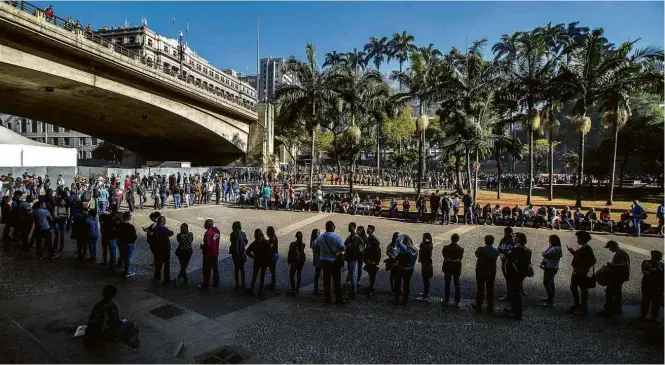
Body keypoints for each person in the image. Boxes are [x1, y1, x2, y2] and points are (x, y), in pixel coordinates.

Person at [84, 285, 139, 350]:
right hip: (106, 334)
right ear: (113, 295)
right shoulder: (111, 306)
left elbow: (92, 319)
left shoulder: (97, 305)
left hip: (95, 332)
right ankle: (134, 344)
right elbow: (115, 322)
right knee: (133, 324)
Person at [315, 221, 347, 304]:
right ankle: (339, 299)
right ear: (332, 227)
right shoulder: (337, 237)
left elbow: (316, 247)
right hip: (334, 262)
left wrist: (321, 255)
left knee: (326, 282)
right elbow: (343, 249)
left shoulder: (320, 237)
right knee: (337, 282)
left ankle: (327, 299)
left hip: (324, 262)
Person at [567, 231, 597, 315]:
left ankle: (582, 307)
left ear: (583, 239)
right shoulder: (585, 248)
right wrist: (572, 252)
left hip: (580, 273)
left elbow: (592, 261)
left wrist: (583, 269)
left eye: (578, 238)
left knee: (580, 289)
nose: (577, 240)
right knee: (577, 288)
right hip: (579, 272)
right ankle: (579, 306)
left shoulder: (586, 249)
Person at [503, 232, 532, 320]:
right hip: (520, 274)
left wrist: (505, 253)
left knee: (515, 293)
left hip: (514, 274)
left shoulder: (517, 249)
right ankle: (514, 309)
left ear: (518, 239)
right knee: (515, 292)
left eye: (515, 237)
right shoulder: (526, 249)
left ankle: (517, 313)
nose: (513, 239)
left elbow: (509, 255)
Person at [599, 240, 630, 317]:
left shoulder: (622, 254)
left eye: (609, 247)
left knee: (609, 292)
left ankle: (609, 310)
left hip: (618, 277)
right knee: (617, 293)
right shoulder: (619, 253)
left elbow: (624, 265)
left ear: (613, 246)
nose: (609, 249)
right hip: (618, 276)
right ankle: (617, 309)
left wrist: (611, 265)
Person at [472, 235, 499, 314]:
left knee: (480, 289)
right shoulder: (495, 251)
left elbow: (476, 254)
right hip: (491, 272)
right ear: (493, 242)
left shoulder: (481, 249)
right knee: (490, 289)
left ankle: (478, 305)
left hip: (481, 272)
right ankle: (490, 306)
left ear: (485, 241)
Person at [392, 234, 418, 305]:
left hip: (401, 269)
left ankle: (397, 300)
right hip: (410, 269)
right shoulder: (415, 250)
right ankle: (405, 300)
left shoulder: (405, 250)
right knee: (407, 285)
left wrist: (403, 235)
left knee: (398, 284)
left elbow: (398, 242)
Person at [246, 228, 272, 298]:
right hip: (264, 262)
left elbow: (247, 252)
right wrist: (269, 262)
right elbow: (270, 253)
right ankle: (260, 290)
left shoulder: (254, 244)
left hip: (257, 261)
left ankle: (252, 288)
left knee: (254, 275)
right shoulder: (266, 243)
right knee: (262, 276)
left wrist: (253, 257)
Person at [640, 250, 664, 322]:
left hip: (656, 287)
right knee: (646, 301)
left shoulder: (661, 265)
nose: (661, 258)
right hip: (649, 286)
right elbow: (646, 273)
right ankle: (644, 316)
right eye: (660, 256)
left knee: (655, 303)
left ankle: (653, 317)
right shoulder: (647, 263)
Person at [442, 233, 464, 306]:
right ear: (458, 240)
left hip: (447, 267)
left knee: (447, 284)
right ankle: (457, 300)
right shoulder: (461, 249)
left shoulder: (445, 247)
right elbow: (460, 258)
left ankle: (446, 299)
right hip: (456, 268)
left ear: (451, 238)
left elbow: (444, 255)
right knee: (457, 284)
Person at [541, 235, 562, 307]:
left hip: (551, 267)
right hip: (552, 267)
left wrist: (543, 253)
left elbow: (545, 254)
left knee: (546, 283)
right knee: (551, 283)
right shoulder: (555, 247)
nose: (549, 240)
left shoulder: (555, 248)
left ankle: (550, 301)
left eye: (550, 239)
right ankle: (550, 298)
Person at [199, 219, 220, 291]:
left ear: (208, 225)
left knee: (206, 270)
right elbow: (214, 241)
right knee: (215, 269)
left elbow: (207, 244)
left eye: (205, 224)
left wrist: (202, 247)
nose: (204, 225)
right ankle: (216, 283)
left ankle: (206, 284)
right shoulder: (217, 231)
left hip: (208, 254)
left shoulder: (207, 233)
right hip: (215, 253)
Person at [153, 216, 173, 286]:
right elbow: (171, 233)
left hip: (158, 249)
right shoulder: (164, 229)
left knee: (158, 264)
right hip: (165, 249)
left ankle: (157, 276)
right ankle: (167, 279)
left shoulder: (155, 228)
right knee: (166, 265)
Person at [116, 212, 137, 277]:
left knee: (122, 255)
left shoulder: (119, 225)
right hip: (129, 244)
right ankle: (127, 271)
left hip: (121, 244)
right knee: (128, 257)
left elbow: (117, 234)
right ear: (129, 218)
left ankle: (120, 265)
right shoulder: (131, 227)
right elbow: (134, 236)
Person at [363, 225, 381, 297]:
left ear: (372, 230)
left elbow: (378, 252)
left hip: (373, 261)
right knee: (370, 274)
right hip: (368, 260)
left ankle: (371, 289)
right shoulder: (368, 238)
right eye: (367, 229)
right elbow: (366, 250)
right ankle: (370, 286)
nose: (367, 230)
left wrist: (376, 261)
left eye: (369, 229)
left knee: (372, 275)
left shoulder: (375, 239)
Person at [229, 221, 248, 290]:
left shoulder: (232, 234)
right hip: (242, 253)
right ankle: (243, 284)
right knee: (242, 269)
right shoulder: (243, 234)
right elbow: (246, 242)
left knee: (236, 269)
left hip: (235, 254)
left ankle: (237, 284)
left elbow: (231, 241)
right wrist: (243, 244)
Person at [344, 222, 361, 299]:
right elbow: (345, 245)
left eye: (349, 226)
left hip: (352, 258)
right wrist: (348, 246)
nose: (348, 228)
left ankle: (354, 290)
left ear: (353, 227)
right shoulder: (349, 237)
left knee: (352, 274)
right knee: (351, 273)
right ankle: (352, 289)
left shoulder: (356, 237)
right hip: (349, 258)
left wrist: (348, 246)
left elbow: (352, 248)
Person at [497, 227, 514, 301]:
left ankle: (510, 294)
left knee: (510, 279)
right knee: (507, 278)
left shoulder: (514, 241)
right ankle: (509, 293)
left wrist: (506, 255)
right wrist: (500, 254)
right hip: (503, 262)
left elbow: (515, 252)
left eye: (506, 232)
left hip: (511, 263)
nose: (505, 234)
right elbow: (499, 249)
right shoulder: (503, 240)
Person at [287, 231, 306, 296]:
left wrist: (289, 261)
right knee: (299, 274)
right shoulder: (303, 245)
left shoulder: (292, 244)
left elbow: (289, 253)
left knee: (292, 275)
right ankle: (297, 289)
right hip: (301, 262)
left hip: (294, 262)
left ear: (296, 237)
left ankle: (293, 289)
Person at [417, 233, 434, 301]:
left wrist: (424, 242)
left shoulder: (425, 246)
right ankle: (426, 293)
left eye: (423, 237)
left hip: (426, 264)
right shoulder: (429, 244)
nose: (422, 238)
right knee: (426, 280)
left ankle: (425, 295)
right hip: (426, 264)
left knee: (426, 280)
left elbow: (422, 246)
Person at [310, 228, 322, 295]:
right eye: (318, 233)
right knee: (317, 275)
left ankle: (317, 288)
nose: (319, 234)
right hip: (318, 260)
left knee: (318, 274)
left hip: (317, 259)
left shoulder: (315, 241)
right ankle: (316, 289)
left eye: (319, 232)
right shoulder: (315, 242)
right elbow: (319, 250)